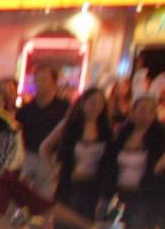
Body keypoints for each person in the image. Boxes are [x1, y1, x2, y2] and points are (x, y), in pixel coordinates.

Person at [39, 87, 113, 221]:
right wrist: (55, 167)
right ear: (83, 103)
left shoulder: (105, 130)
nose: (96, 107)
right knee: (65, 221)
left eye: (100, 104)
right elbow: (45, 147)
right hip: (71, 182)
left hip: (94, 185)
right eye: (92, 103)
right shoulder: (69, 125)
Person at [103, 95, 165, 229]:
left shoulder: (158, 138)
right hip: (118, 192)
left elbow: (160, 165)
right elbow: (109, 163)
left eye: (150, 111)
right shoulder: (122, 134)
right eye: (142, 110)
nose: (146, 115)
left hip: (141, 195)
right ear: (133, 112)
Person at [16, 64, 69, 196]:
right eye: (37, 80)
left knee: (46, 198)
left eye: (44, 79)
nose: (39, 84)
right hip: (29, 157)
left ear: (54, 82)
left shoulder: (64, 109)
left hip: (52, 159)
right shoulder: (26, 110)